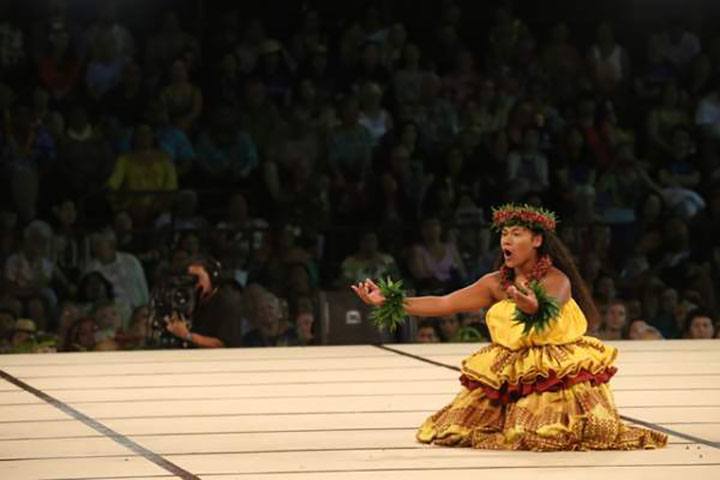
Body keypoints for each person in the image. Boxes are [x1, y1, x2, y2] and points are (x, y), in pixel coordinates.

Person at [353, 203, 667, 451]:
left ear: (537, 240)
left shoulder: (556, 279)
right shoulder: (495, 283)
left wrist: (530, 305)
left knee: (543, 432)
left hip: (555, 371)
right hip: (510, 366)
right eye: (504, 233)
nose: (507, 239)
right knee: (457, 426)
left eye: (516, 233)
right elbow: (444, 303)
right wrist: (389, 301)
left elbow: (549, 306)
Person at [164, 257, 243, 348]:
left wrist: (187, 335)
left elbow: (223, 345)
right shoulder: (191, 300)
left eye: (197, 278)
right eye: (188, 279)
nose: (193, 284)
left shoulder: (227, 303)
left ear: (212, 278)